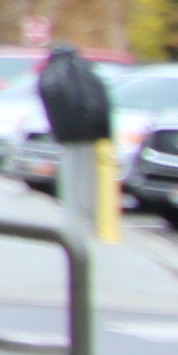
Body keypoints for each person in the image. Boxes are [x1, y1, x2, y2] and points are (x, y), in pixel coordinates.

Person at [35, 43, 115, 237]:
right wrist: (104, 132)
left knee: (70, 175)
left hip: (65, 136)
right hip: (89, 136)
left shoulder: (50, 73)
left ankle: (71, 221)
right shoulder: (84, 72)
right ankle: (88, 222)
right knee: (88, 181)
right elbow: (98, 103)